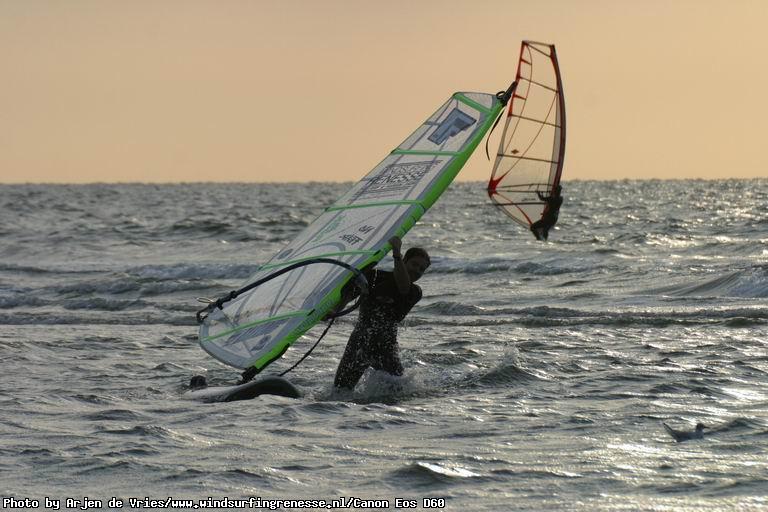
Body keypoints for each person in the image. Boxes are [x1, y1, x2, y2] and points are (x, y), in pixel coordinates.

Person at [332, 236, 430, 390]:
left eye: (421, 269)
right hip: (359, 343)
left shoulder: (414, 292)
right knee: (339, 390)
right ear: (404, 261)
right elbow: (349, 295)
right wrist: (333, 312)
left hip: (385, 348)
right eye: (414, 264)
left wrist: (396, 251)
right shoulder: (375, 276)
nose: (417, 270)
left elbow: (402, 286)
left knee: (398, 392)